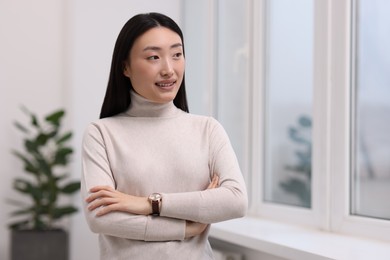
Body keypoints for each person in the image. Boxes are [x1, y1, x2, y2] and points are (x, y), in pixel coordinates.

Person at [81, 12, 248, 260]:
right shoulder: (102, 134)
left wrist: (149, 203)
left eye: (177, 54)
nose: (169, 69)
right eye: (153, 57)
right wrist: (185, 227)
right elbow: (100, 218)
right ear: (125, 67)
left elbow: (235, 201)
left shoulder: (207, 130)